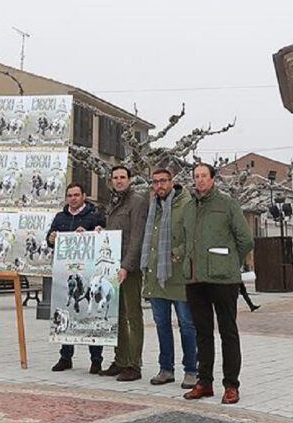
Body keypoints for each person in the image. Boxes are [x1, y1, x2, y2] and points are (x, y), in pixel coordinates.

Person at [181, 163, 254, 405]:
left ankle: (231, 385)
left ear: (213, 179)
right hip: (195, 279)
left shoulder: (227, 204)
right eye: (196, 176)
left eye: (204, 176)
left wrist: (230, 262)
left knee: (228, 332)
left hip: (223, 280)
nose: (200, 180)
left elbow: (245, 240)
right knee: (202, 333)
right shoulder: (189, 208)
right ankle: (205, 383)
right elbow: (184, 240)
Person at [140, 169, 198, 389]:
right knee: (162, 324)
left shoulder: (186, 204)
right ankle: (166, 369)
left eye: (163, 181)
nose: (159, 186)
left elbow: (194, 235)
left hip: (178, 274)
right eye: (155, 182)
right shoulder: (153, 206)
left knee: (186, 325)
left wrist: (178, 252)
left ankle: (191, 370)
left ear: (172, 182)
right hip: (157, 275)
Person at [46, 182, 106, 374]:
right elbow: (49, 241)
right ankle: (65, 357)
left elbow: (104, 237)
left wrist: (90, 234)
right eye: (70, 195)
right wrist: (51, 239)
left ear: (84, 196)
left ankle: (96, 360)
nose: (73, 198)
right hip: (66, 273)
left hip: (88, 273)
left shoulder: (95, 215)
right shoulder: (60, 217)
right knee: (65, 312)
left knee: (90, 313)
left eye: (76, 195)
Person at [99, 165, 148, 382]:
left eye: (122, 177)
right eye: (115, 177)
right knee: (117, 316)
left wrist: (127, 266)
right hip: (113, 267)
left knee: (133, 316)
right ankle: (120, 360)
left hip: (129, 268)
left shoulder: (137, 201)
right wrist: (102, 233)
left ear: (129, 179)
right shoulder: (113, 202)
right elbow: (115, 234)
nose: (119, 181)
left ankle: (133, 364)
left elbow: (137, 236)